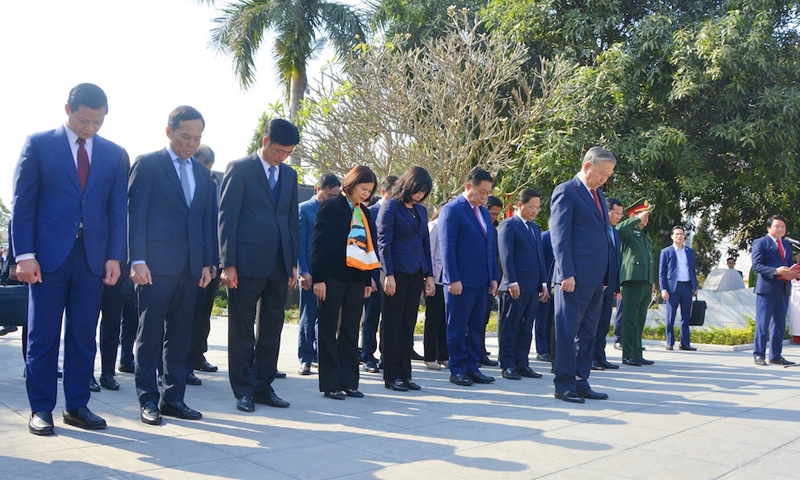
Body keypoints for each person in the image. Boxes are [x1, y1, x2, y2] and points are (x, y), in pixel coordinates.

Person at [12, 83, 128, 435]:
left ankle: (77, 405)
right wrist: (25, 255)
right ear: (67, 110)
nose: (89, 128)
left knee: (82, 336)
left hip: (92, 259)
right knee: (43, 337)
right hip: (46, 259)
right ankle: (41, 409)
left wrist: (114, 257)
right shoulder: (39, 144)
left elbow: (116, 209)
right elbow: (23, 203)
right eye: (83, 120)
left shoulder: (114, 154)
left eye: (97, 121)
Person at [129, 106, 215, 425]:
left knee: (181, 335)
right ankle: (148, 400)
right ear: (169, 132)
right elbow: (134, 215)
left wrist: (208, 262)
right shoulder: (148, 164)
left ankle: (174, 398)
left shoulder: (204, 174)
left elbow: (206, 220)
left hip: (191, 268)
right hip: (154, 266)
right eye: (185, 136)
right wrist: (136, 259)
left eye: (197, 138)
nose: (191, 143)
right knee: (149, 334)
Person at [218, 119, 300, 413]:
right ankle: (243, 389)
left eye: (288, 152)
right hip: (246, 263)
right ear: (265, 141)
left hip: (279, 265)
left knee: (271, 327)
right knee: (241, 327)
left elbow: (291, 221)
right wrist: (228, 264)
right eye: (279, 150)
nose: (282, 157)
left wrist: (292, 264)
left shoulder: (289, 176)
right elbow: (227, 217)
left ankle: (264, 385)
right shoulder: (240, 169)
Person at [549, 146, 615, 403]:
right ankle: (564, 384)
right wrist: (566, 273)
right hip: (572, 278)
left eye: (608, 176)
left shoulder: (597, 196)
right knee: (567, 331)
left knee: (588, 332)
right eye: (602, 173)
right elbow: (560, 235)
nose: (604, 179)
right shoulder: (567, 191)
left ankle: (580, 380)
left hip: (596, 278)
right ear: (587, 166)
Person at [312, 166, 378, 399]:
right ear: (350, 183)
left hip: (357, 278)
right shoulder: (331, 206)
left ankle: (349, 382)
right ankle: (330, 383)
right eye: (363, 189)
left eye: (369, 191)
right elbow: (319, 245)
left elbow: (369, 248)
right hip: (331, 277)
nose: (366, 195)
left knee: (350, 330)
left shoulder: (364, 212)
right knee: (329, 329)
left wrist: (369, 279)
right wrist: (318, 279)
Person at [438, 167, 499, 387]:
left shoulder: (483, 212)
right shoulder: (453, 210)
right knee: (458, 325)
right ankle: (458, 368)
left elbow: (489, 247)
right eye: (481, 191)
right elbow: (447, 247)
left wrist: (493, 276)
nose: (485, 196)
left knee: (476, 326)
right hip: (460, 282)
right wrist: (453, 278)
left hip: (482, 281)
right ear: (468, 186)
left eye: (488, 192)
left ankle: (473, 367)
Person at [377, 166, 435, 392]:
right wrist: (388, 274)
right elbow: (384, 242)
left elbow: (425, 245)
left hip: (416, 273)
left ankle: (406, 374)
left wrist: (429, 275)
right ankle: (392, 376)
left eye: (424, 192)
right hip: (396, 273)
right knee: (392, 324)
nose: (420, 195)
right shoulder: (391, 206)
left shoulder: (420, 210)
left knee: (408, 324)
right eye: (417, 190)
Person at [497, 188, 548, 380]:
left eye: (537, 208)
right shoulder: (508, 225)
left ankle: (522, 363)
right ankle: (507, 364)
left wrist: (543, 283)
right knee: (511, 325)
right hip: (515, 286)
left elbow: (540, 258)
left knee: (527, 328)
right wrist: (511, 281)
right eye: (531, 207)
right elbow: (506, 256)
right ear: (520, 205)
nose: (535, 211)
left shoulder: (534, 228)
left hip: (533, 286)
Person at [297, 173, 341, 375]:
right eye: (329, 194)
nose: (333, 198)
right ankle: (305, 357)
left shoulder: (337, 210)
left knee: (327, 316)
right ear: (318, 190)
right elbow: (301, 244)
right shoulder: (305, 209)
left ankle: (321, 355)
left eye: (336, 195)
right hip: (311, 271)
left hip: (331, 271)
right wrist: (304, 271)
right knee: (308, 315)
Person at [188, 144, 220, 381]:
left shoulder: (212, 184)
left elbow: (212, 225)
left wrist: (213, 260)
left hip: (208, 261)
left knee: (202, 313)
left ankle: (197, 355)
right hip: (182, 260)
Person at [751, 215, 797, 366]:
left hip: (783, 289)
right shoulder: (760, 243)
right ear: (768, 228)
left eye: (783, 227)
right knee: (762, 324)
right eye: (777, 226)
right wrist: (776, 271)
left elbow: (789, 265)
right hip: (766, 290)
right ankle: (759, 354)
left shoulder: (786, 244)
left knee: (779, 325)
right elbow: (756, 265)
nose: (780, 229)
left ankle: (776, 355)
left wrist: (795, 273)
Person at [361, 175, 397, 373]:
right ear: (383, 192)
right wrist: (371, 276)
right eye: (394, 193)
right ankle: (367, 355)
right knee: (371, 316)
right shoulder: (369, 212)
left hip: (392, 272)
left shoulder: (400, 211)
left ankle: (387, 355)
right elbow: (367, 245)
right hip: (373, 272)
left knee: (390, 317)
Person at [617, 199, 654, 367]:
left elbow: (649, 260)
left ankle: (637, 353)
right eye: (643, 215)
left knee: (640, 319)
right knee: (630, 318)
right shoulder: (629, 232)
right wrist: (636, 219)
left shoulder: (644, 235)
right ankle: (628, 354)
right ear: (633, 215)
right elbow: (618, 229)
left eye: (647, 215)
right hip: (632, 280)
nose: (646, 218)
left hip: (644, 281)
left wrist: (651, 281)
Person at [591, 197, 623, 371]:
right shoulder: (599, 229)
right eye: (614, 213)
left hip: (609, 285)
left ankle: (600, 356)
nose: (617, 217)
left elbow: (616, 260)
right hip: (597, 283)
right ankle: (589, 358)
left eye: (620, 214)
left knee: (603, 322)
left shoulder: (615, 232)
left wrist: (616, 285)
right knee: (592, 323)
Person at [423, 198, 453, 370]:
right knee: (433, 317)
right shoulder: (434, 225)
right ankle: (429, 355)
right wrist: (430, 279)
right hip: (434, 277)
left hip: (447, 278)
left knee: (444, 318)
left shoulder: (451, 226)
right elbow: (429, 253)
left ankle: (443, 354)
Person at [659, 226, 699, 351]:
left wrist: (695, 286)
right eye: (676, 234)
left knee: (685, 317)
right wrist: (663, 289)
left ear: (684, 236)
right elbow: (662, 272)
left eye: (681, 234)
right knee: (670, 317)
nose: (679, 236)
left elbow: (692, 269)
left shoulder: (689, 251)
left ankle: (685, 343)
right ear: (672, 236)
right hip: (672, 288)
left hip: (687, 286)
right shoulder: (666, 251)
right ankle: (670, 342)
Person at [480, 195, 504, 367]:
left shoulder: (493, 231)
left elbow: (495, 257)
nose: (494, 217)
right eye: (492, 213)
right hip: (474, 279)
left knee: (483, 318)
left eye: (497, 215)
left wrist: (495, 279)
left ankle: (480, 350)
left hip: (490, 280)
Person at [534, 229, 554, 363]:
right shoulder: (545, 237)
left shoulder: (565, 236)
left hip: (558, 285)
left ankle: (551, 347)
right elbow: (540, 262)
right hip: (545, 284)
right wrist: (543, 285)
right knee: (542, 318)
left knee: (552, 319)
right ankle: (542, 349)